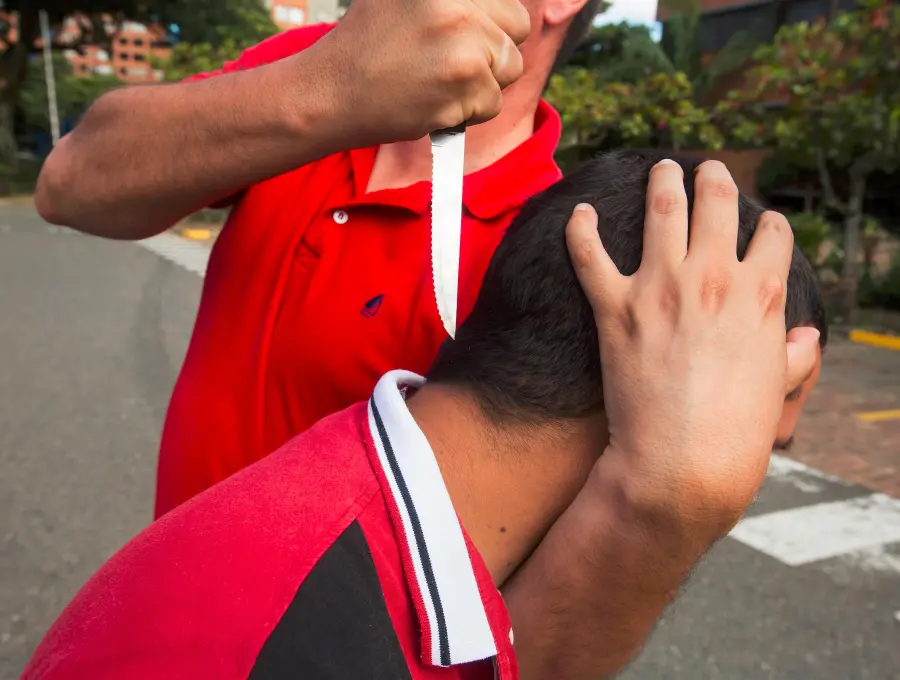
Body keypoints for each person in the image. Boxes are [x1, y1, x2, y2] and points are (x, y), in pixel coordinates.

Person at [23, 153, 825, 680]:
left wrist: (654, 516)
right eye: (764, 436)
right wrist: (675, 502)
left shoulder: (348, 521)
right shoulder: (296, 645)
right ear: (661, 390)